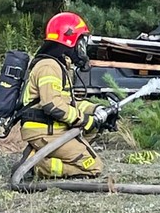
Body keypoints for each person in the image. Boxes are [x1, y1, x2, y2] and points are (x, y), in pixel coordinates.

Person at [19, 12, 109, 178]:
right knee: (93, 167)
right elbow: (52, 105)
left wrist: (96, 109)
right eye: (81, 41)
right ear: (70, 40)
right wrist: (84, 119)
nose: (83, 48)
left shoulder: (59, 65)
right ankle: (37, 166)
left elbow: (68, 102)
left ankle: (47, 154)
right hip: (45, 131)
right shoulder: (49, 66)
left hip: (54, 129)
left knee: (93, 128)